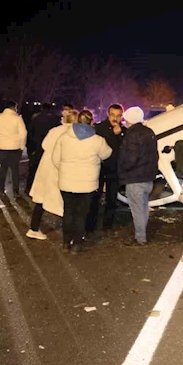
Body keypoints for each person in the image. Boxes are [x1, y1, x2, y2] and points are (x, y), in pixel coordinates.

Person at [52, 110, 112, 253]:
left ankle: (66, 242)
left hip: (66, 182)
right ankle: (77, 244)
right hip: (87, 184)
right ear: (91, 122)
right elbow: (107, 153)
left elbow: (55, 159)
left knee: (68, 212)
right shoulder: (97, 140)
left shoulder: (64, 137)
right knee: (81, 213)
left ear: (77, 121)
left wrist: (65, 170)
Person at [27, 108, 79, 240]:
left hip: (46, 167)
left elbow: (44, 145)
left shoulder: (54, 130)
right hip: (60, 169)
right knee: (67, 201)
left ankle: (33, 228)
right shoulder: (73, 133)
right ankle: (71, 234)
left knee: (41, 198)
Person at [116, 106, 158, 245]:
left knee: (137, 210)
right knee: (143, 207)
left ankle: (140, 238)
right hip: (148, 177)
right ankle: (141, 235)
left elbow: (131, 158)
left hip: (135, 178)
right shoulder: (149, 132)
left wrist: (121, 169)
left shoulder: (132, 134)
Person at [87, 104, 126, 233]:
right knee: (95, 197)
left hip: (114, 169)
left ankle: (107, 225)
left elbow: (125, 149)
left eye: (118, 116)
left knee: (111, 198)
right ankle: (91, 225)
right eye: (113, 115)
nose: (115, 118)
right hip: (99, 167)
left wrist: (119, 135)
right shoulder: (99, 128)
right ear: (108, 115)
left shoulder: (124, 131)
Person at [0, 100, 28, 197]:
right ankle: (16, 191)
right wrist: (21, 146)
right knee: (15, 170)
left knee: (3, 169)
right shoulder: (17, 118)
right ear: (12, 107)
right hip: (15, 148)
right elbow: (23, 133)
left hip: (2, 148)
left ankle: (2, 190)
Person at [25, 103, 62, 195]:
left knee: (34, 168)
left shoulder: (36, 119)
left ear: (41, 108)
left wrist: (30, 148)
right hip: (52, 147)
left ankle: (29, 187)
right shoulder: (56, 119)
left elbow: (30, 133)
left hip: (37, 146)